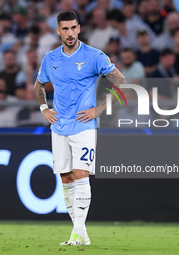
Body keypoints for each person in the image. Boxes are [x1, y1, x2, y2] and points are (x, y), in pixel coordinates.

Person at [34, 10, 125, 246]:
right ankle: (80, 234)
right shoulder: (50, 59)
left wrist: (100, 109)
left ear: (79, 28)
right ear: (58, 31)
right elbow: (39, 85)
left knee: (81, 173)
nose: (70, 33)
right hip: (59, 125)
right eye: (65, 28)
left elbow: (121, 80)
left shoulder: (94, 56)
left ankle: (78, 232)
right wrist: (44, 107)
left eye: (73, 27)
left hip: (84, 125)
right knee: (65, 177)